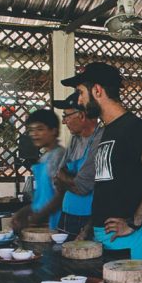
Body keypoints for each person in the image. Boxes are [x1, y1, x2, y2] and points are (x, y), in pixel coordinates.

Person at [62, 62, 142, 261]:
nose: (79, 100)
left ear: (97, 90)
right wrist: (89, 226)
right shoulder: (107, 131)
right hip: (106, 240)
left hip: (128, 243)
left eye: (80, 93)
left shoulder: (133, 128)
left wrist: (134, 223)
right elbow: (108, 189)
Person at [52, 91, 103, 239]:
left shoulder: (100, 139)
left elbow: (83, 187)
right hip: (68, 213)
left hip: (89, 218)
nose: (63, 122)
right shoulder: (75, 140)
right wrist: (68, 179)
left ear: (81, 116)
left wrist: (65, 177)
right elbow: (57, 178)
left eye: (66, 116)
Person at [11, 109, 65, 232]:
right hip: (45, 223)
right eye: (31, 130)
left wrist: (38, 217)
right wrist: (24, 211)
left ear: (54, 131)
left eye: (40, 129)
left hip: (56, 224)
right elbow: (43, 197)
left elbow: (61, 196)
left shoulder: (58, 156)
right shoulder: (45, 157)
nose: (34, 134)